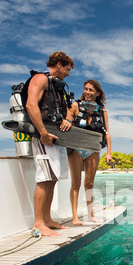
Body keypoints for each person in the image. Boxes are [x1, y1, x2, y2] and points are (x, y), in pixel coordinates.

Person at [25, 51, 75, 236]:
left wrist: (67, 120)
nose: (68, 74)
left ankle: (47, 219)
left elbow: (69, 110)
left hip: (56, 137)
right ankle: (38, 222)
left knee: (52, 179)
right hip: (43, 136)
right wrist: (43, 133)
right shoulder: (40, 78)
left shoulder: (58, 86)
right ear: (59, 64)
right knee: (44, 178)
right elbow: (31, 105)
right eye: (67, 69)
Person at [66, 79, 112, 225]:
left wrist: (109, 152)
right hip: (76, 149)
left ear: (97, 93)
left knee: (89, 184)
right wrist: (66, 120)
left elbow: (107, 132)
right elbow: (67, 120)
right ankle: (74, 217)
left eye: (91, 90)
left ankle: (91, 215)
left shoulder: (102, 110)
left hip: (93, 149)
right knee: (76, 183)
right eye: (85, 89)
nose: (87, 92)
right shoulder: (75, 106)